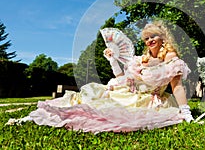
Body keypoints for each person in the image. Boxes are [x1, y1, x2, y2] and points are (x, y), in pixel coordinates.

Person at [7, 21, 194, 133]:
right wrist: (113, 61)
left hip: (149, 100)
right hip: (129, 92)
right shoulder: (141, 59)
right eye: (146, 38)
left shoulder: (169, 57)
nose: (149, 40)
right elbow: (122, 78)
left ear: (163, 38)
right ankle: (32, 118)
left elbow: (177, 86)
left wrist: (185, 111)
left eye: (153, 36)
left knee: (108, 112)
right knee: (88, 97)